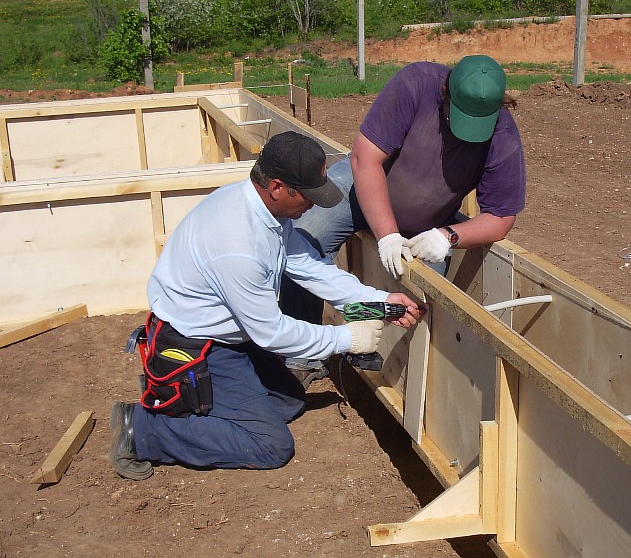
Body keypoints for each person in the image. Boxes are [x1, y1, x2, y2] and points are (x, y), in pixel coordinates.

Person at [108, 131, 422, 481]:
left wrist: (377, 300)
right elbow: (271, 332)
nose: (314, 206)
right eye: (308, 196)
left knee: (290, 402)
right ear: (276, 187)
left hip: (231, 337)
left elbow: (308, 266)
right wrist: (347, 339)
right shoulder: (237, 245)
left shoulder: (265, 213)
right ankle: (143, 428)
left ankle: (180, 398)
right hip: (200, 345)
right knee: (270, 445)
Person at [279, 55, 526, 381]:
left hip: (425, 220)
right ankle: (302, 355)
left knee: (415, 299)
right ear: (444, 93)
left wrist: (448, 236)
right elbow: (365, 159)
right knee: (302, 239)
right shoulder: (416, 84)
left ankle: (362, 341)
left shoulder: (502, 135)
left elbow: (500, 216)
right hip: (359, 189)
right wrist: (387, 235)